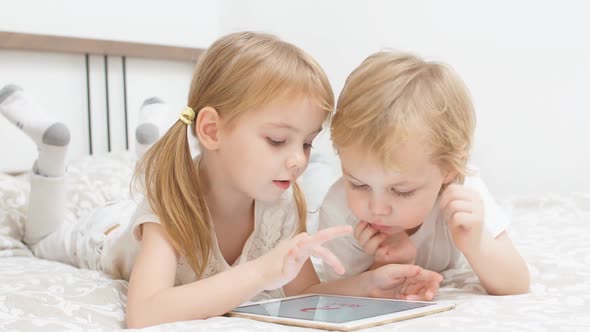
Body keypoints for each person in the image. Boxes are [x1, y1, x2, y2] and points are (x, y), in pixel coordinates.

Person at [0, 33, 441, 328]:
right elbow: (145, 314)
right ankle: (51, 157)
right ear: (211, 131)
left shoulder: (278, 204)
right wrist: (262, 270)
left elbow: (306, 293)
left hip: (135, 212)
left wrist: (372, 286)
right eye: (276, 140)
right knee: (41, 237)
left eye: (307, 144)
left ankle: (145, 146)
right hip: (101, 235)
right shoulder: (171, 205)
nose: (297, 161)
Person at [318, 51, 530, 296]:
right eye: (358, 185)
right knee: (313, 190)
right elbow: (339, 293)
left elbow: (517, 284)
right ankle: (317, 165)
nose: (377, 208)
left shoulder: (462, 191)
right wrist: (388, 263)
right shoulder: (339, 210)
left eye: (401, 191)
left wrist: (476, 244)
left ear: (449, 169)